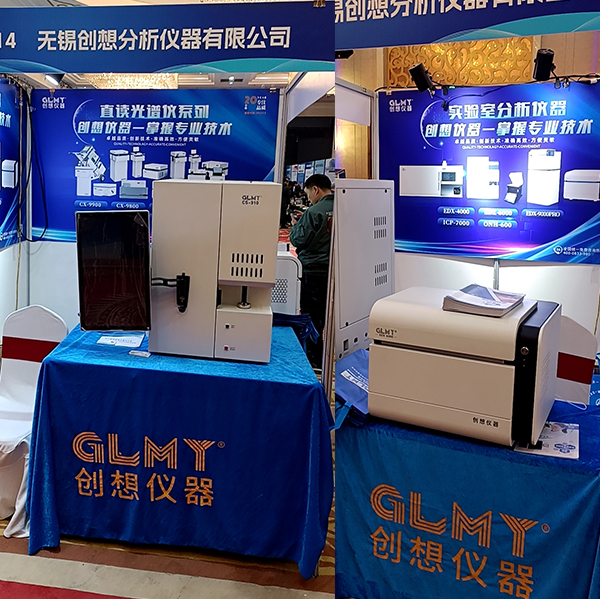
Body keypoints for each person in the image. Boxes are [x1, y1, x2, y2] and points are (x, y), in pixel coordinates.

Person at [289, 174, 333, 369]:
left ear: (315, 189)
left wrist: (295, 226)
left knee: (311, 315)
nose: (308, 198)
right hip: (333, 271)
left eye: (308, 194)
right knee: (326, 314)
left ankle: (313, 357)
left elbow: (298, 239)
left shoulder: (314, 212)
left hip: (313, 270)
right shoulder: (344, 207)